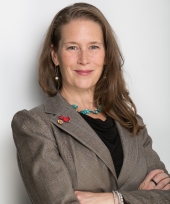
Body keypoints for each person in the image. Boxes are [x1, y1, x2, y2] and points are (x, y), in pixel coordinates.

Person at [11, 2, 170, 204]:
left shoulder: (131, 123)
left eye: (93, 46)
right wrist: (142, 196)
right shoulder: (35, 125)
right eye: (72, 47)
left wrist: (116, 199)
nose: (84, 59)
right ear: (55, 55)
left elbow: (167, 195)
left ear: (105, 55)